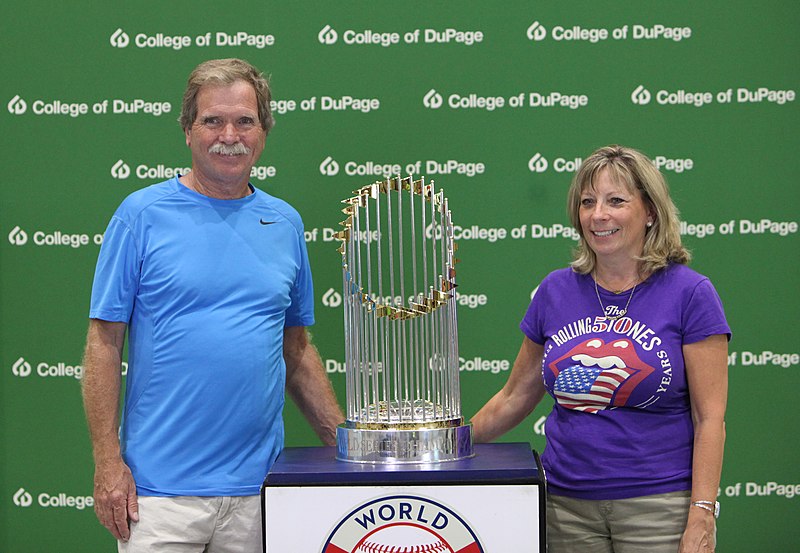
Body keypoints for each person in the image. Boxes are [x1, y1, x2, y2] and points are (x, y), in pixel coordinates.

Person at [81, 58, 345, 552]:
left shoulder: (285, 223)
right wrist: (107, 463)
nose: (230, 135)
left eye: (245, 121)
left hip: (261, 494)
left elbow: (297, 349)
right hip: (158, 498)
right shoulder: (141, 215)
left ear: (263, 131)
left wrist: (345, 446)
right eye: (212, 121)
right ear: (187, 130)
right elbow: (103, 343)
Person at [471, 145, 729, 553]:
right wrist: (450, 444)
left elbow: (709, 417)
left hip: (659, 508)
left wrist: (702, 510)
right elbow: (514, 396)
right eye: (587, 202)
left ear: (650, 212)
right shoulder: (555, 291)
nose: (598, 215)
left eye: (616, 201)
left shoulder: (691, 293)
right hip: (564, 507)